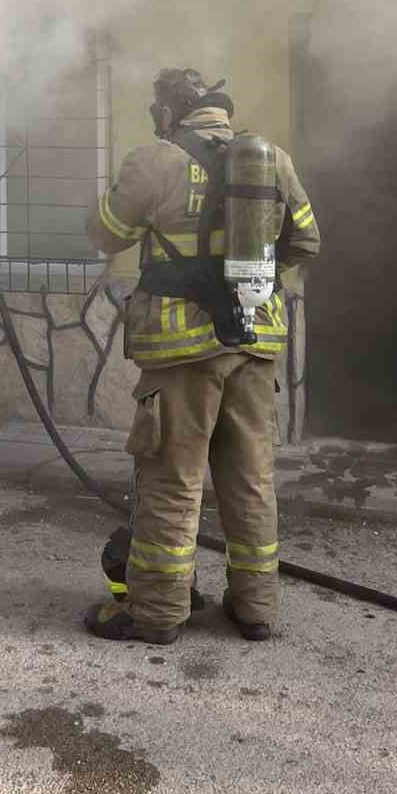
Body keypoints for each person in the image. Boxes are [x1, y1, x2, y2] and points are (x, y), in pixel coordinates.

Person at [84, 68, 321, 646]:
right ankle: (255, 609)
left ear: (171, 111)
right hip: (254, 342)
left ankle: (158, 613)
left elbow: (105, 234)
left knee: (172, 479)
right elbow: (306, 240)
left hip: (181, 351)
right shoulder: (273, 162)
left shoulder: (155, 160)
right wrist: (248, 280)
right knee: (250, 481)